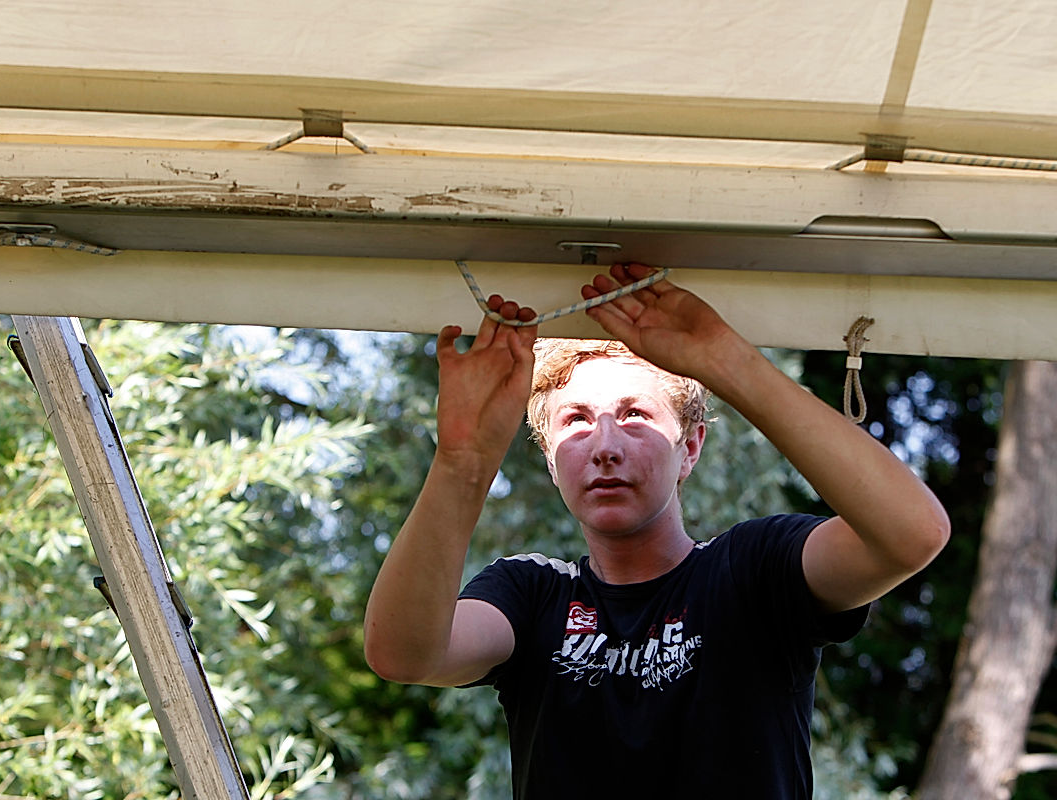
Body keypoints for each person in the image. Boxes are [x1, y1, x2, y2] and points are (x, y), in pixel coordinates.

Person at [364, 263, 949, 798]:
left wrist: (726, 359)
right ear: (549, 459)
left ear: (690, 446)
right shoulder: (530, 595)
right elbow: (402, 653)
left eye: (636, 415)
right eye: (575, 422)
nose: (605, 447)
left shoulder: (753, 571)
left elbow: (912, 533)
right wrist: (462, 461)